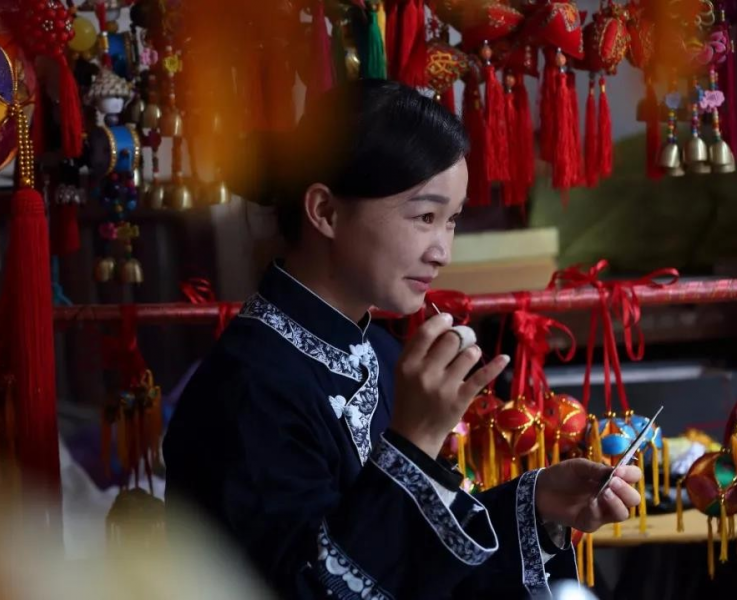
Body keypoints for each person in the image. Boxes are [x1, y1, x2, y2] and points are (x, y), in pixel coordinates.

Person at [163, 79, 642, 599]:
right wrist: (412, 442)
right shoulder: (247, 388)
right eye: (425, 217)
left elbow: (427, 566)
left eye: (452, 221)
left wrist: (537, 502)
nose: (442, 251)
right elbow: (306, 588)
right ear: (325, 211)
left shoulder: (385, 355)